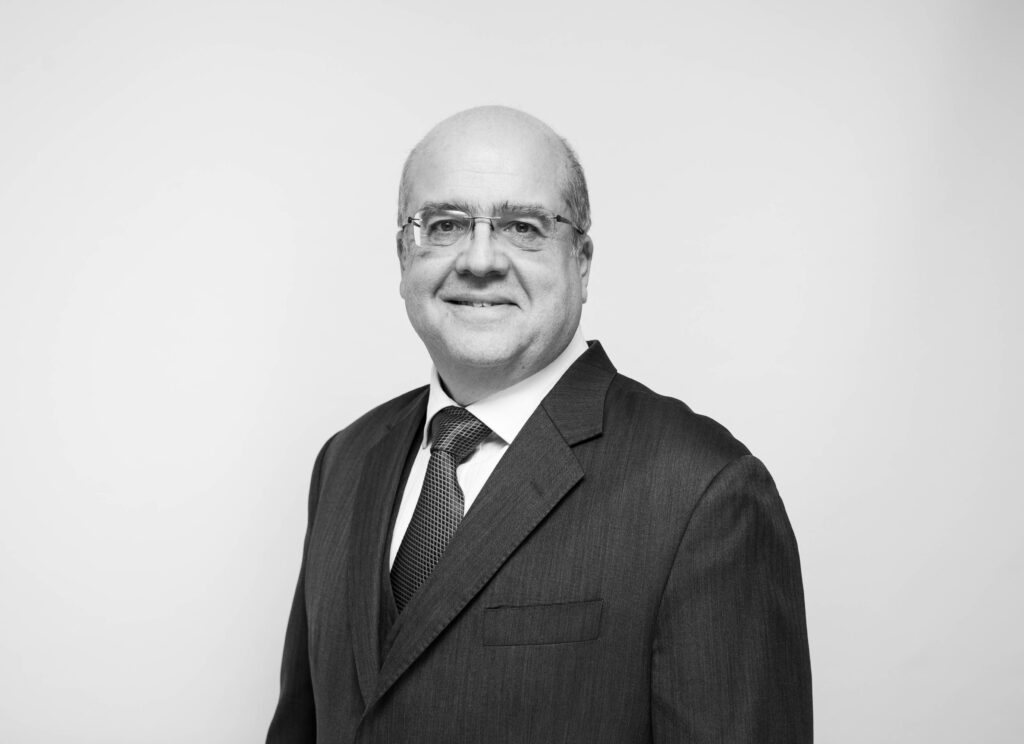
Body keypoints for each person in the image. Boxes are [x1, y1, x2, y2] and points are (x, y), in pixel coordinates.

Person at [266, 106, 812, 743]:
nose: (479, 260)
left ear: (581, 261)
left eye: (522, 227)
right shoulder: (346, 460)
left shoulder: (704, 491)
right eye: (445, 225)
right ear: (404, 255)